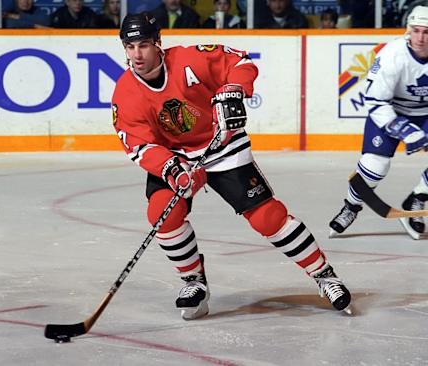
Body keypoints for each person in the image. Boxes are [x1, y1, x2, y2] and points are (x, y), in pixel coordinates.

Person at [112, 11, 352, 320]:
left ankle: (324, 275)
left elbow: (240, 62)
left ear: (158, 43)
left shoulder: (189, 59)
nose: (136, 54)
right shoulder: (125, 91)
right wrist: (173, 168)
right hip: (176, 157)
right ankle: (194, 282)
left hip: (222, 144)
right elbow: (139, 143)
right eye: (129, 47)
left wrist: (234, 89)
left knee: (267, 217)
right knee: (162, 214)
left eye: (143, 45)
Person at [329, 5, 428, 241]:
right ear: (408, 30)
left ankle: (417, 199)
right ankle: (351, 207)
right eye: (416, 31)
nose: (421, 38)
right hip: (390, 112)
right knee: (374, 166)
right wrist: (405, 130)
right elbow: (375, 100)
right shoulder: (392, 55)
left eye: (427, 32)